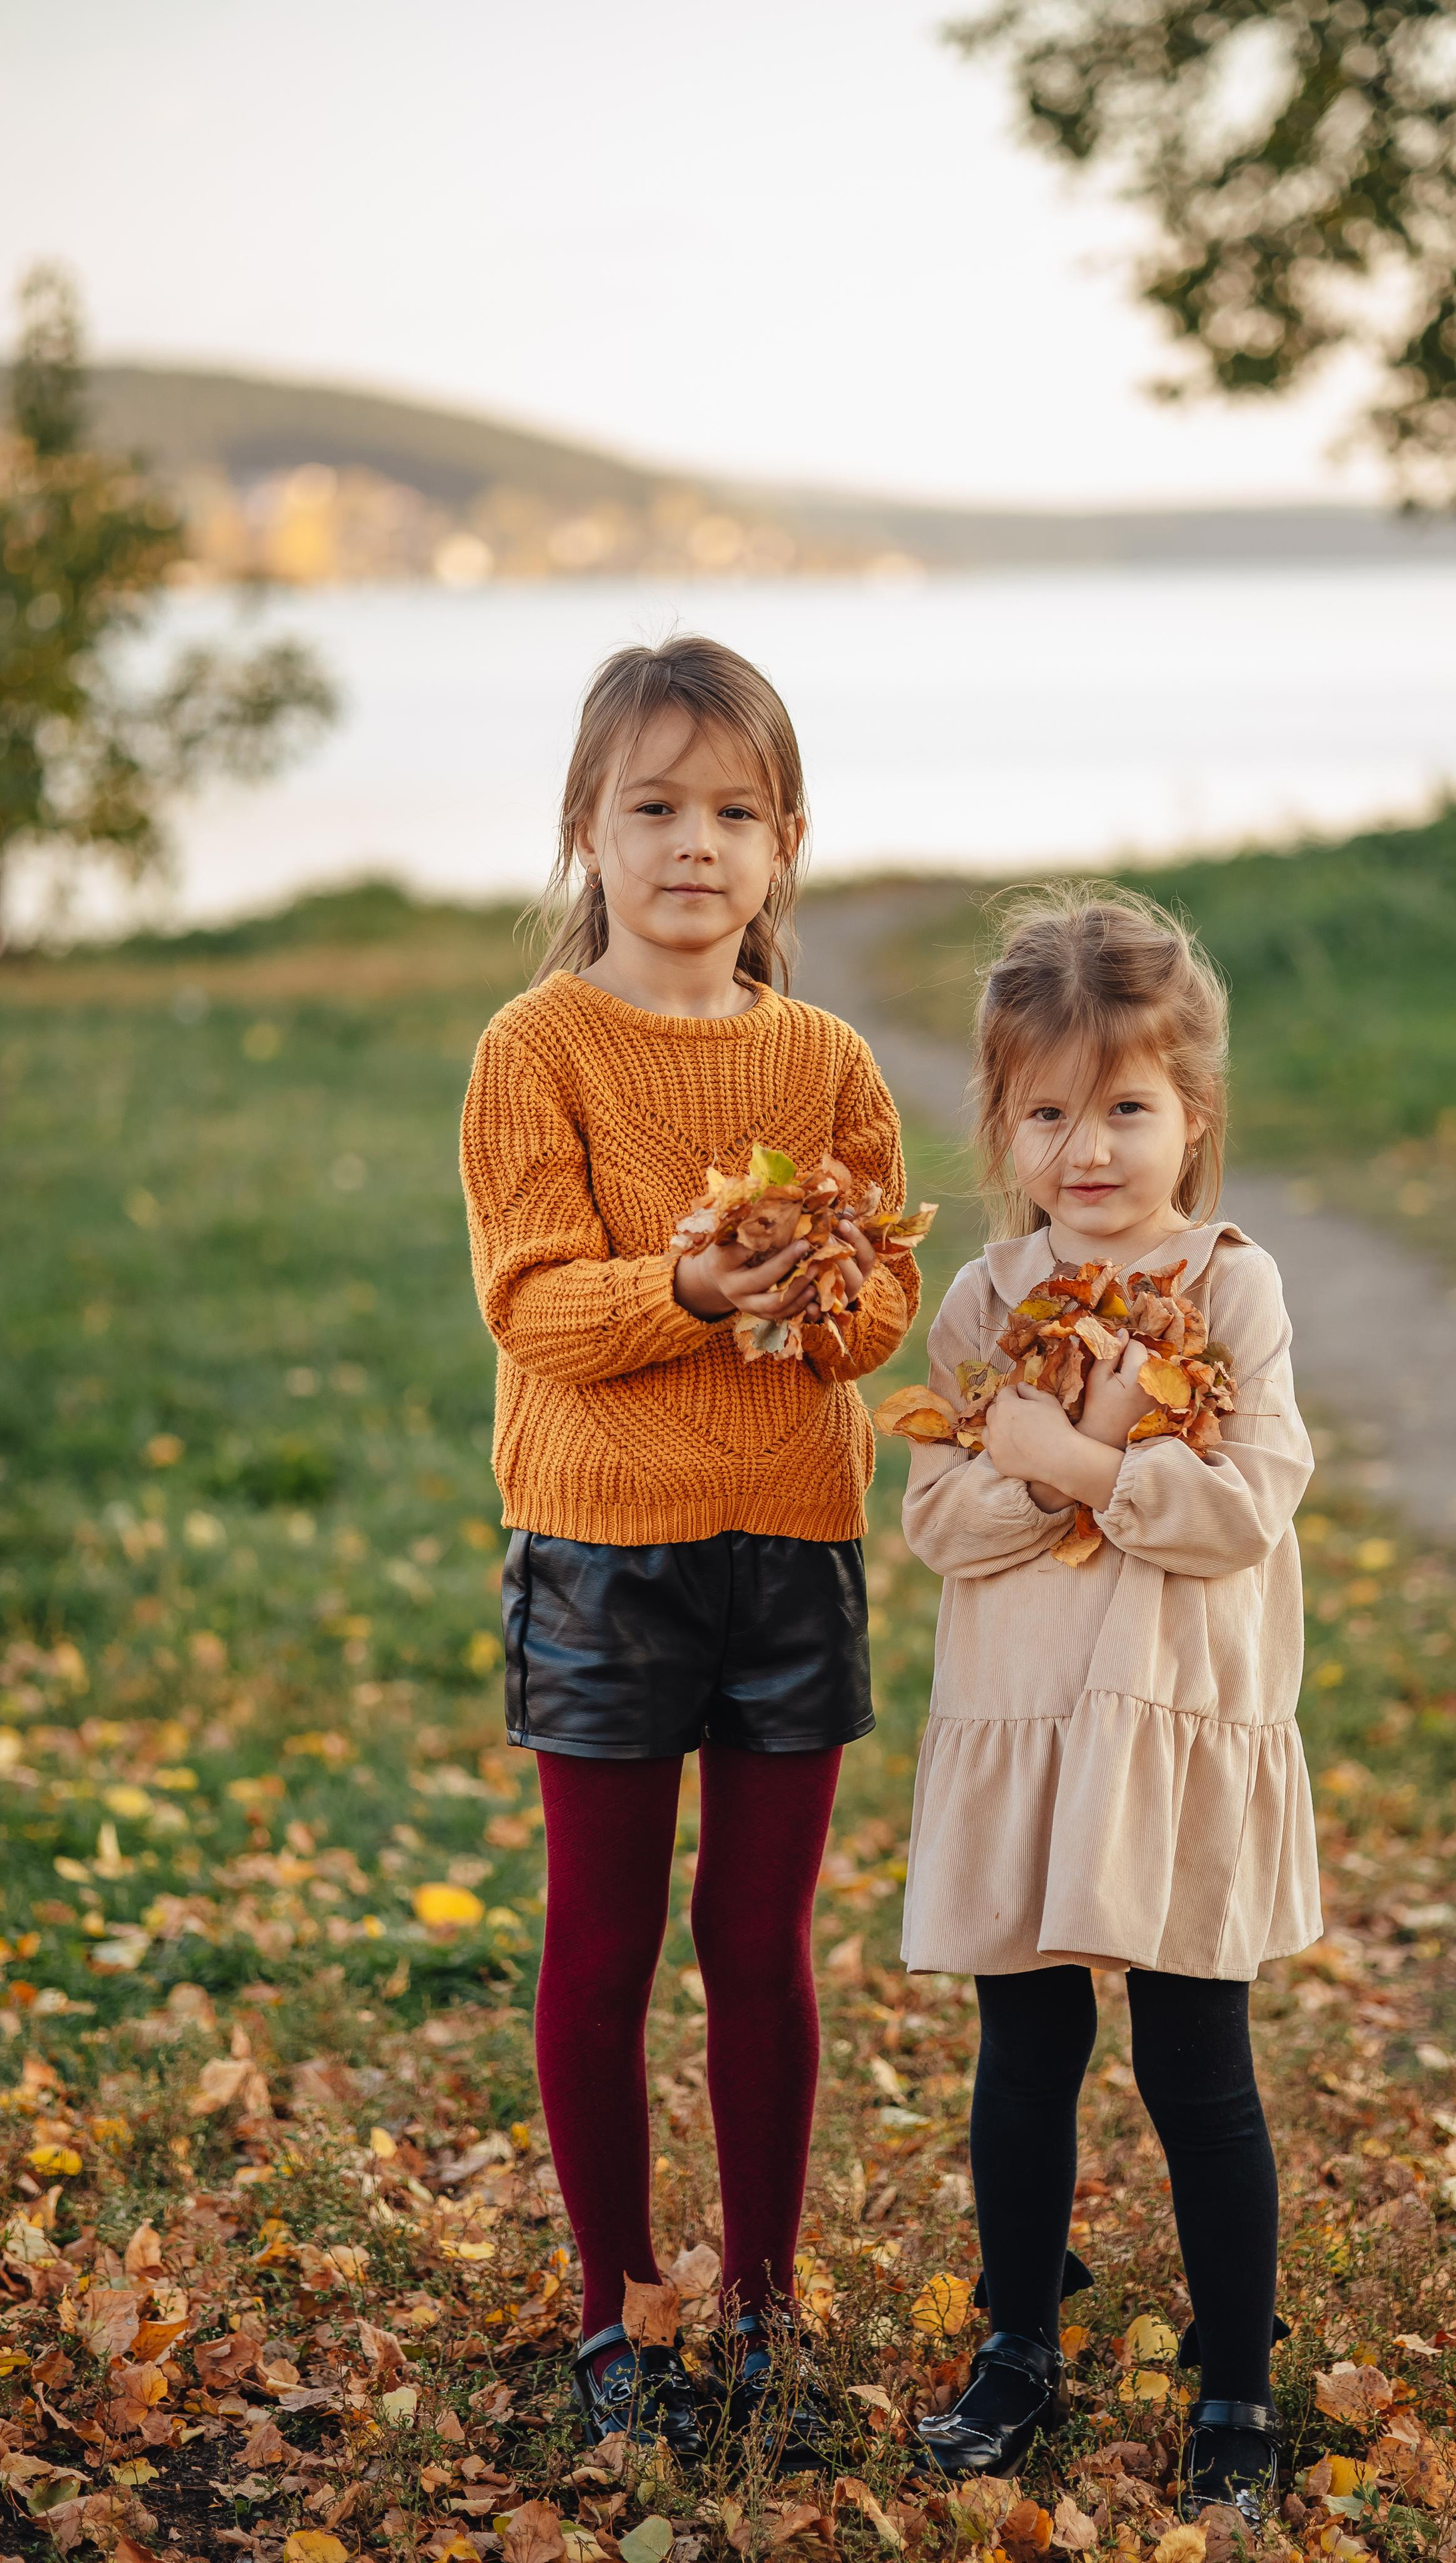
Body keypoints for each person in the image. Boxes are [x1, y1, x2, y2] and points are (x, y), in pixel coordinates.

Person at [459, 636, 920, 2464]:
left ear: (786, 843)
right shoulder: (536, 1049)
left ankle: (764, 2293)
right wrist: (684, 1284)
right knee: (606, 1941)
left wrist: (818, 1299)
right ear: (587, 830)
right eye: (652, 808)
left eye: (734, 812)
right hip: (601, 1551)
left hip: (791, 1543)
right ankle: (615, 2305)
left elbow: (882, 1297)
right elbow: (530, 1304)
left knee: (763, 1941)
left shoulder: (825, 1059)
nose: (692, 846)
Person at [896, 890, 1319, 2518]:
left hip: (1170, 1724)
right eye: (1048, 1110)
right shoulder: (983, 1305)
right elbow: (938, 1519)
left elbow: (1246, 1505)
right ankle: (1016, 2346)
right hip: (1023, 1724)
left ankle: (1232, 2382)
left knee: (1193, 2059)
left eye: (1125, 1108)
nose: (1088, 1146)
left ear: (1189, 1119)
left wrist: (1074, 1459)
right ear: (1001, 1125)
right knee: (1025, 2044)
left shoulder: (1231, 1285)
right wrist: (1050, 1462)